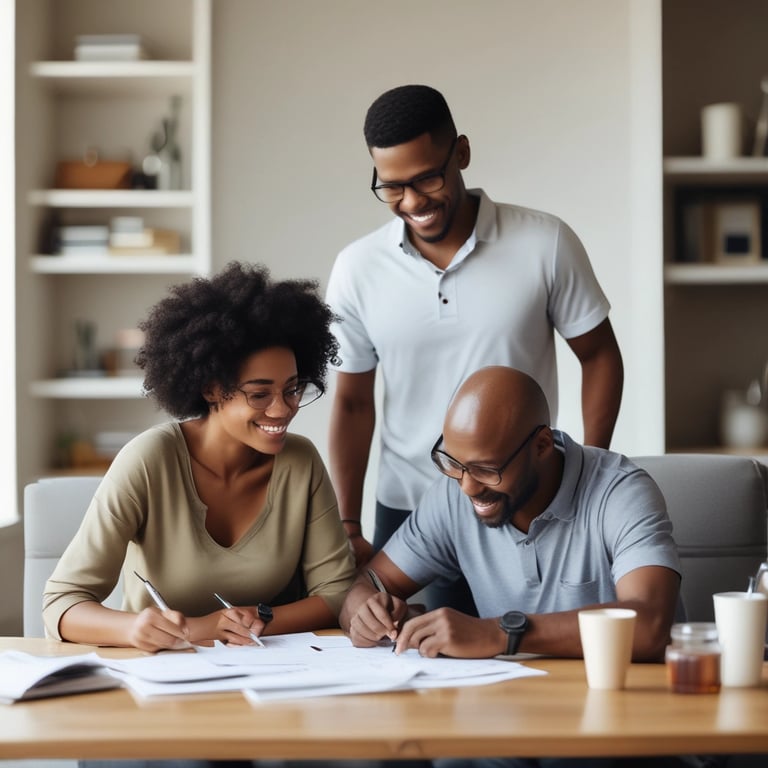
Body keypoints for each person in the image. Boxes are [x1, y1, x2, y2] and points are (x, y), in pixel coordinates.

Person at [326, 85, 624, 616]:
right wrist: (349, 522)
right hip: (407, 507)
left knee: (529, 656)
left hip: (523, 499)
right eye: (392, 188)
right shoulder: (357, 268)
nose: (412, 202)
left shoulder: (545, 242)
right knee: (394, 657)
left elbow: (599, 355)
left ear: (460, 153)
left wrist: (585, 476)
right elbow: (352, 402)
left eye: (427, 179)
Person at [339, 366, 716, 768]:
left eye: (487, 469)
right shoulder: (454, 495)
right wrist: (364, 609)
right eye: (453, 463)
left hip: (627, 721)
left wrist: (500, 633)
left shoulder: (620, 491)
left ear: (541, 445)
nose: (467, 487)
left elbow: (648, 626)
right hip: (513, 717)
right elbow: (368, 580)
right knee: (449, 760)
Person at [43, 261, 356, 651]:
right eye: (259, 394)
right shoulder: (149, 461)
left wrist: (256, 620)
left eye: (293, 389)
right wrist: (136, 629)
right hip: (159, 685)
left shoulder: (300, 462)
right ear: (211, 389)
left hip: (271, 676)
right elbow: (62, 604)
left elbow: (338, 594)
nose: (283, 409)